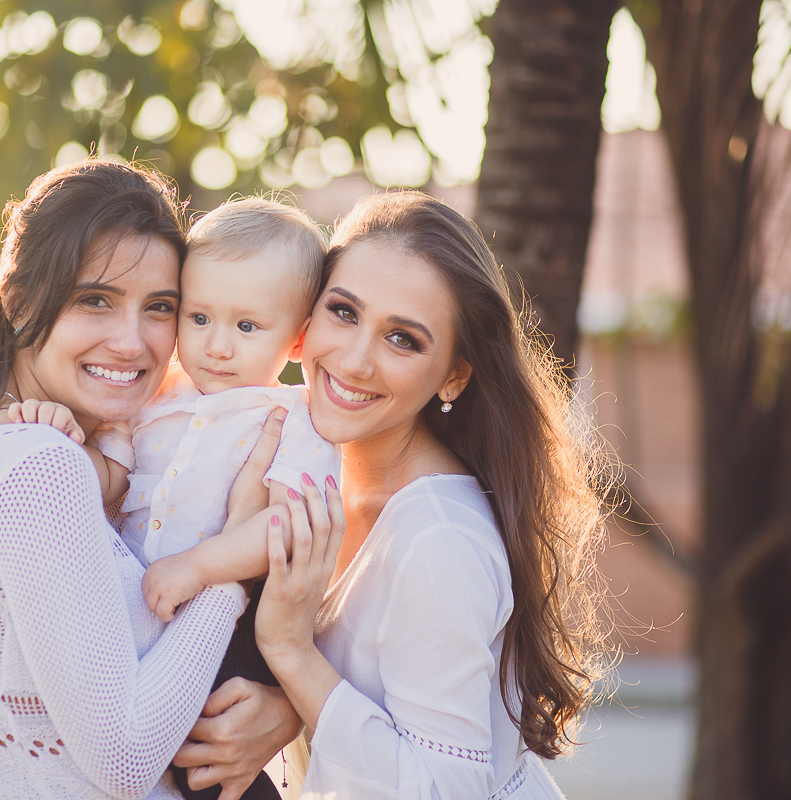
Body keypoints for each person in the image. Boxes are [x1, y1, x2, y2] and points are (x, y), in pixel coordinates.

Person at [0, 160, 300, 800]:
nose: (132, 343)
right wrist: (233, 567)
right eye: (95, 300)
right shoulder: (38, 469)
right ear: (20, 303)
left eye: (160, 308)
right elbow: (128, 762)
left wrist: (279, 707)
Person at [254, 191, 608, 799]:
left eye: (403, 340)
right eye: (343, 312)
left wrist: (290, 653)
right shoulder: (305, 474)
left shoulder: (438, 540)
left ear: (454, 374)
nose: (355, 360)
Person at [9, 196, 340, 800]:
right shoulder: (153, 398)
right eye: (199, 317)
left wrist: (198, 567)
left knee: (211, 756)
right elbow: (108, 485)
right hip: (142, 622)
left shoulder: (291, 419)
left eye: (247, 326)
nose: (217, 345)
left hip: (232, 628)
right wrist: (59, 436)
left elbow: (286, 527)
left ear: (296, 342)